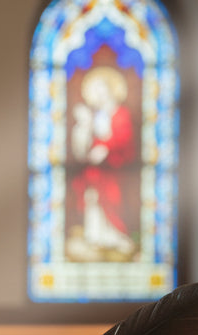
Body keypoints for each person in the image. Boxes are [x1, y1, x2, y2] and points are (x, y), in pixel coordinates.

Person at [68, 65, 136, 259]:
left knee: (112, 201)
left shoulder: (120, 113)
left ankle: (114, 236)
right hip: (95, 170)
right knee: (93, 200)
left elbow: (123, 138)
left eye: (102, 90)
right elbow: (88, 140)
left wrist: (105, 147)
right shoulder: (96, 114)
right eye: (96, 91)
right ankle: (95, 237)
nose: (99, 95)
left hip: (114, 168)